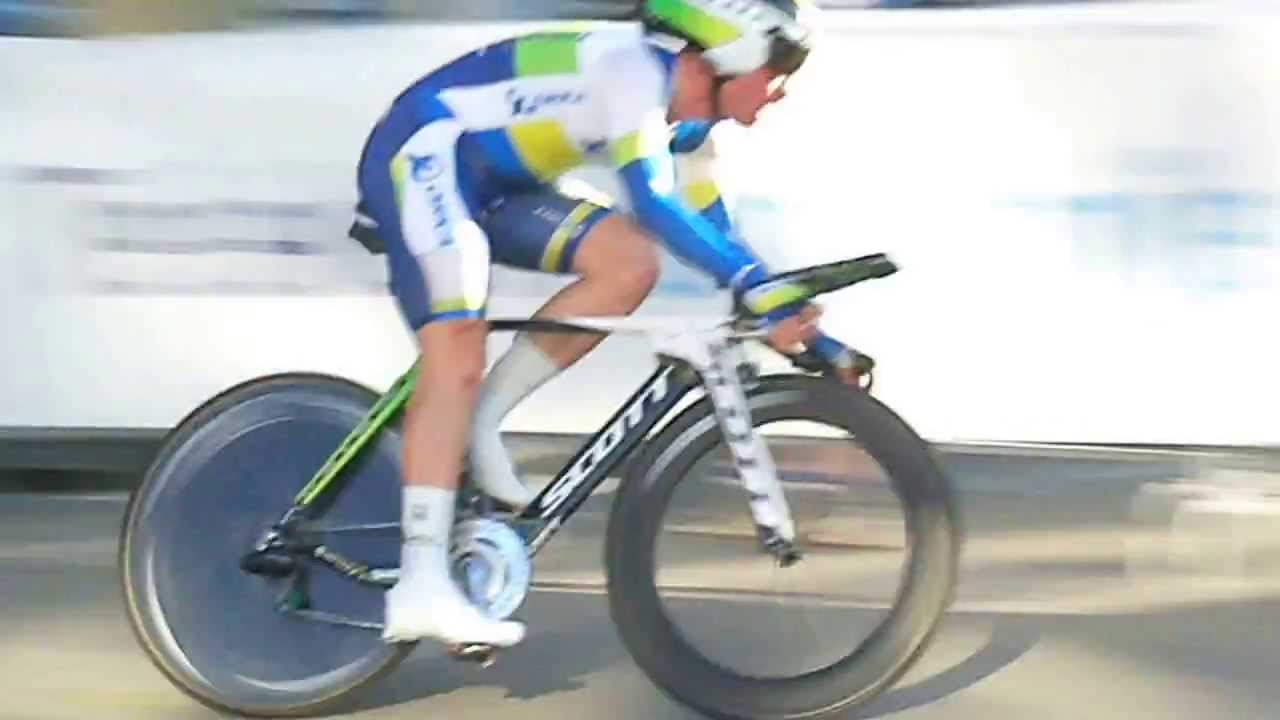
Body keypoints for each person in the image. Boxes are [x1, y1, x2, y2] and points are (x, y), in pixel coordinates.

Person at [349, 0, 864, 649]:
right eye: (779, 66)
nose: (782, 89)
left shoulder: (688, 127)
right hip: (424, 152)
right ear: (731, 49)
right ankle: (420, 584)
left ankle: (478, 418)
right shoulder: (633, 73)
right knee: (456, 343)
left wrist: (808, 333)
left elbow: (716, 237)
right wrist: (758, 290)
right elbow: (653, 199)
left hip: (497, 188)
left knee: (627, 263)